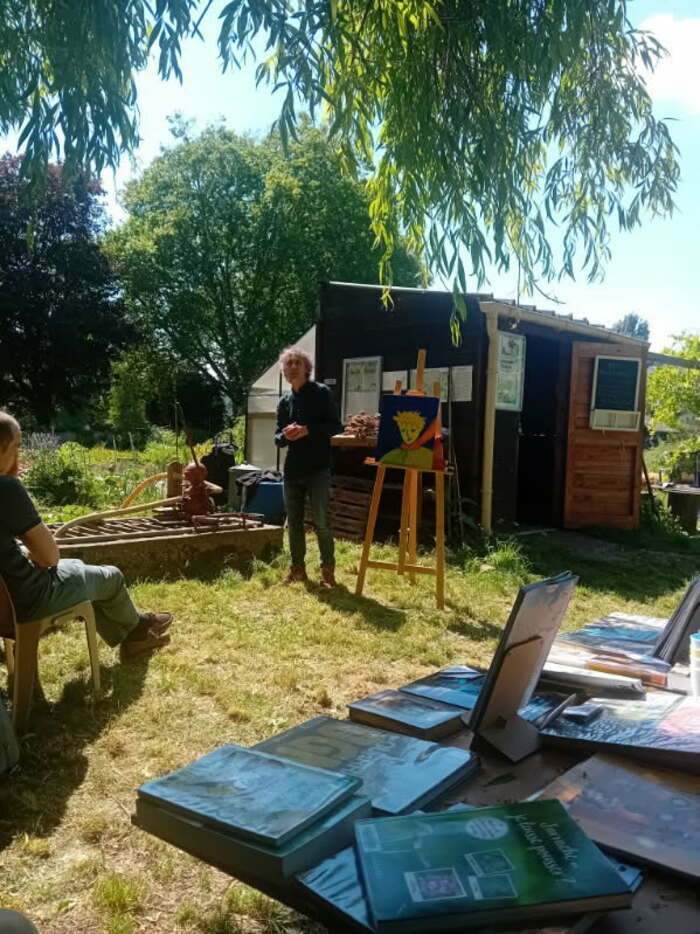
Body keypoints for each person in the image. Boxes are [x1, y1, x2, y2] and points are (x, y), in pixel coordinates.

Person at [0, 412, 172, 663]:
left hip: (6, 601)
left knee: (82, 571)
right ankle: (138, 632)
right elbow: (49, 557)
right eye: (16, 447)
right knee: (111, 577)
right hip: (28, 600)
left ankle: (137, 628)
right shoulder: (6, 489)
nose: (18, 458)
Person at [274, 347, 342, 588]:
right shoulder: (284, 402)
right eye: (288, 364)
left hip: (318, 468)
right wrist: (286, 436)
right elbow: (276, 437)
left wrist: (308, 430)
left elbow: (336, 426)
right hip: (292, 470)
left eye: (297, 363)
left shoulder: (321, 393)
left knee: (322, 522)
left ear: (306, 368)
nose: (292, 367)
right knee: (294, 523)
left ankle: (328, 571)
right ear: (283, 370)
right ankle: (297, 570)